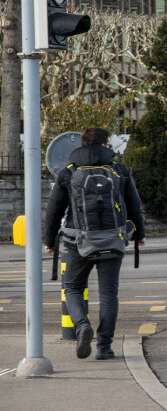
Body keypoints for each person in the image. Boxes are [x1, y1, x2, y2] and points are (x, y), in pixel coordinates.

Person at [43, 127, 146, 360]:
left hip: (78, 241)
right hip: (113, 239)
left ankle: (81, 326)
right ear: (103, 145)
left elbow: (54, 210)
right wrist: (139, 233)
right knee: (109, 294)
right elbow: (134, 205)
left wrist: (49, 240)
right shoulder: (119, 170)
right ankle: (105, 347)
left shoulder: (68, 172)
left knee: (72, 287)